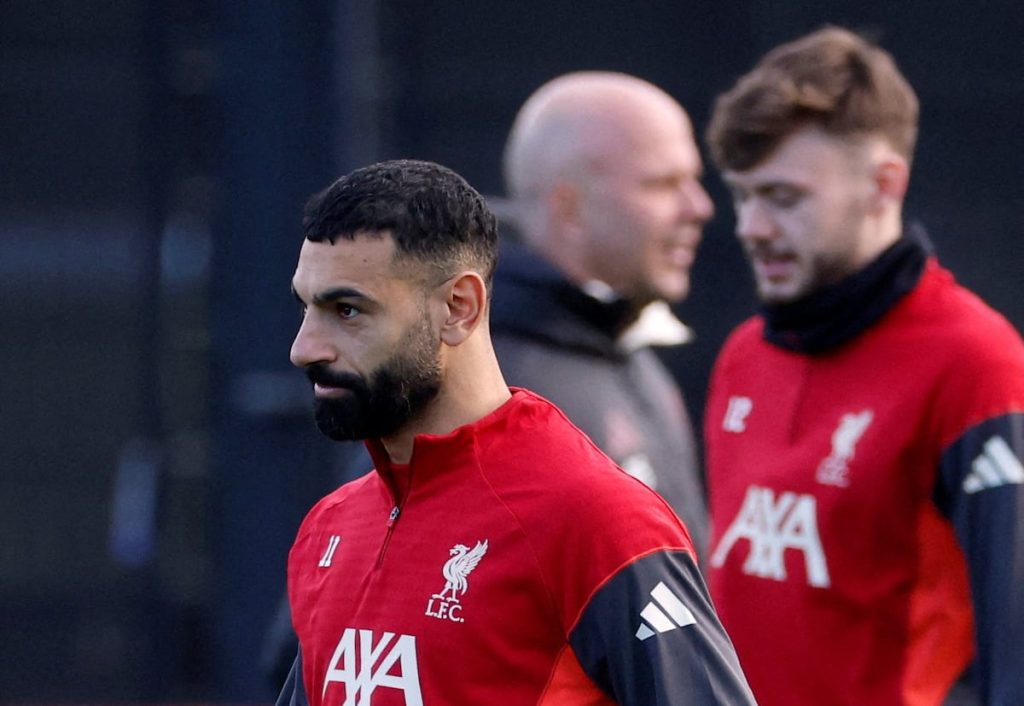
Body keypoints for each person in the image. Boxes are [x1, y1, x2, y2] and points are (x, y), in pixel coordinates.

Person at [276, 159, 754, 705]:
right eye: (306, 308)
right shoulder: (331, 526)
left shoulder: (597, 520)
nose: (304, 348)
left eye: (347, 310)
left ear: (459, 307)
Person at [702, 26, 1024, 706]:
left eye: (783, 197)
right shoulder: (743, 355)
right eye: (742, 195)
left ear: (884, 186)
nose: (750, 227)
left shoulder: (978, 364)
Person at [496, 71, 713, 554]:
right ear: (569, 208)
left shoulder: (620, 345)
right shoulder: (479, 387)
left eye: (693, 180)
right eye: (663, 184)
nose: (698, 207)